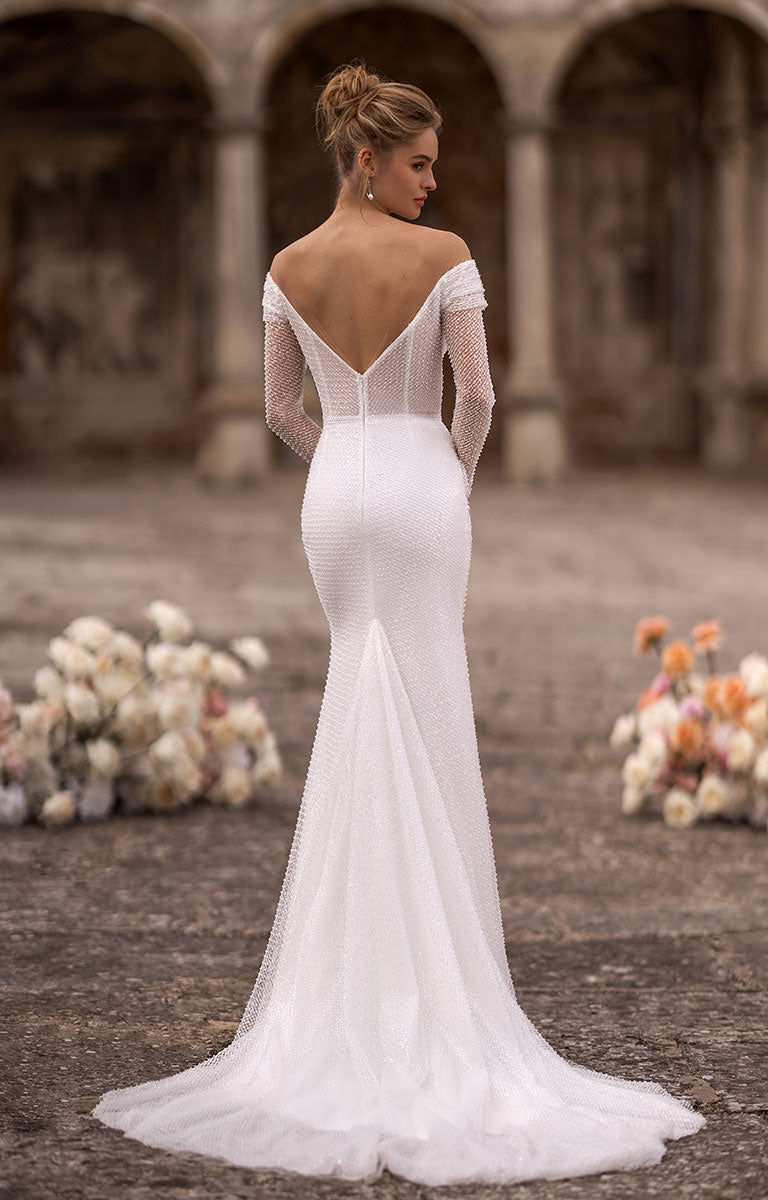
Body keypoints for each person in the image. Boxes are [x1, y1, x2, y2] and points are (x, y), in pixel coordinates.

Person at [90, 60, 706, 1185]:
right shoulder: (447, 257)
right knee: (427, 715)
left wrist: (345, 464)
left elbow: (279, 407)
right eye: (418, 164)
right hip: (422, 489)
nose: (433, 183)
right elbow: (479, 398)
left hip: (337, 497)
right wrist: (445, 479)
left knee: (356, 705)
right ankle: (438, 990)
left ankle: (348, 995)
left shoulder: (288, 266)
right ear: (366, 158)